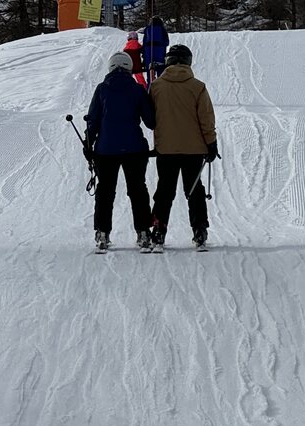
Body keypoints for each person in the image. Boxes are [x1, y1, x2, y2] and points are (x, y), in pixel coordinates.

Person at [84, 51, 157, 251]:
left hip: (106, 150)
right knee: (138, 189)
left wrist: (88, 144)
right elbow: (151, 122)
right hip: (134, 149)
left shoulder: (102, 89)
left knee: (105, 191)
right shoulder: (137, 89)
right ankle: (143, 232)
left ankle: (102, 232)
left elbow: (93, 120)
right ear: (129, 68)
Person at [148, 43, 218, 250]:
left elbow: (151, 118)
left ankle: (158, 229)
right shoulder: (198, 87)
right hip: (193, 149)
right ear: (188, 62)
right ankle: (199, 229)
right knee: (194, 189)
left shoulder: (157, 86)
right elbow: (206, 119)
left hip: (166, 149)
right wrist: (211, 143)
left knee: (164, 189)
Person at [141, 16, 168, 85]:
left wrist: (144, 56)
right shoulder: (162, 29)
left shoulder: (147, 29)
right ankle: (160, 89)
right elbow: (166, 42)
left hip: (149, 54)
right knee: (161, 75)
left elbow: (144, 43)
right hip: (160, 54)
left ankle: (150, 88)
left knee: (150, 76)